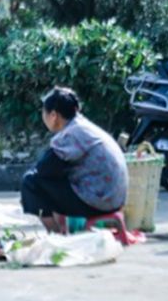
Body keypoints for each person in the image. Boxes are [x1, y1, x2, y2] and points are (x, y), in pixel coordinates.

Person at [20, 87, 128, 234]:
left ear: (53, 115)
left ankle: (55, 235)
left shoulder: (71, 134)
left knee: (30, 182)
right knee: (49, 178)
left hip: (98, 201)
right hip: (113, 199)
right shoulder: (82, 127)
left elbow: (43, 170)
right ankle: (60, 230)